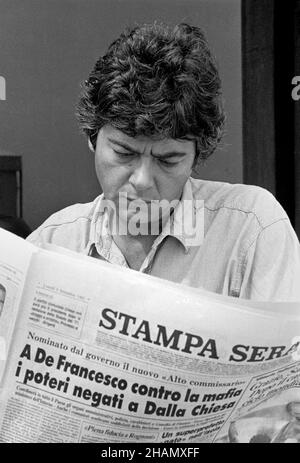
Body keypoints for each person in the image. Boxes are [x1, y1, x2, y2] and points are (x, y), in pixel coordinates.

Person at [27, 22, 300, 301]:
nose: (142, 181)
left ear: (197, 157)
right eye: (124, 153)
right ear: (93, 138)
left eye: (168, 161)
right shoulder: (51, 244)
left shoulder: (250, 230)